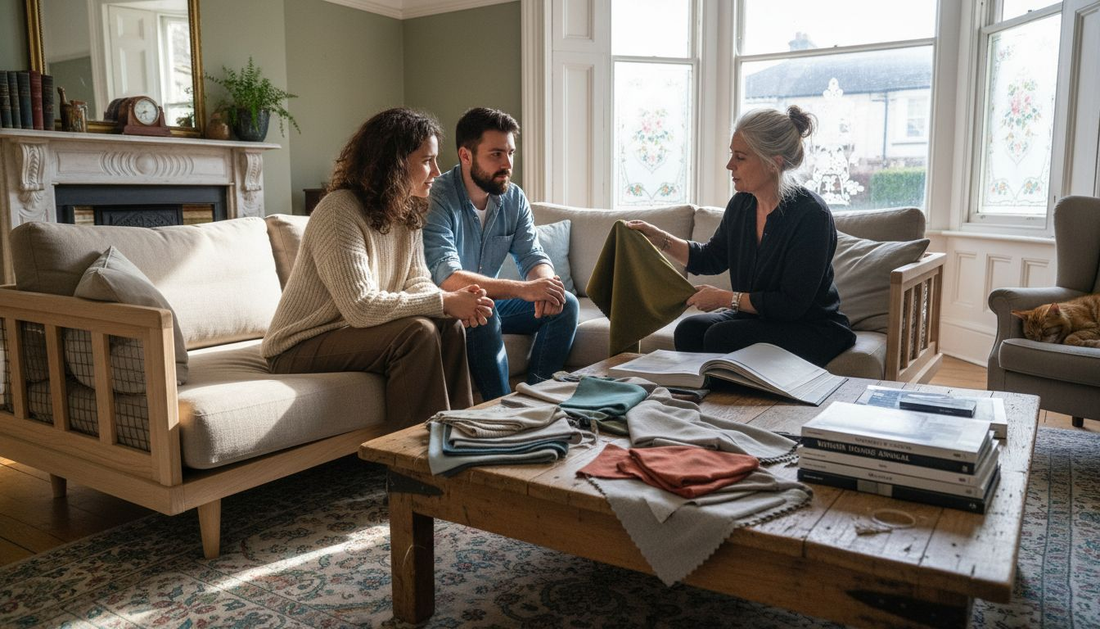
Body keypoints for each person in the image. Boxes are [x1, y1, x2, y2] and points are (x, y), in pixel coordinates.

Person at [262, 108, 493, 428]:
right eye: (427, 160)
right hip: (299, 345)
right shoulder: (338, 212)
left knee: (449, 327)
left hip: (351, 333)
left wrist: (451, 306)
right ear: (395, 162)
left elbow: (418, 281)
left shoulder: (407, 212)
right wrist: (444, 301)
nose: (437, 172)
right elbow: (360, 307)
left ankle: (461, 438)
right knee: (417, 333)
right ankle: (414, 463)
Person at [628, 105, 856, 367]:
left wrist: (725, 298)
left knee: (721, 336)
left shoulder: (811, 215)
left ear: (774, 162)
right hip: (757, 320)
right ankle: (707, 400)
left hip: (810, 327)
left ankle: (736, 405)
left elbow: (792, 305)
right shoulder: (742, 205)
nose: (729, 165)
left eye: (740, 157)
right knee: (689, 330)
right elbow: (710, 258)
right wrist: (658, 238)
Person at [424, 107, 579, 400]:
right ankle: (501, 408)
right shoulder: (438, 198)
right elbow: (447, 277)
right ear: (466, 155)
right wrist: (525, 290)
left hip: (488, 305)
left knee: (566, 304)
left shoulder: (513, 197)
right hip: (447, 310)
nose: (507, 163)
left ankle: (536, 399)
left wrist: (547, 286)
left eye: (510, 153)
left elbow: (532, 255)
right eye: (496, 154)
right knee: (485, 310)